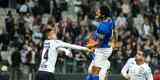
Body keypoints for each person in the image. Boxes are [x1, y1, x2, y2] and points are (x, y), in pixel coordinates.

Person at [86, 5, 114, 80]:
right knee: (90, 71)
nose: (97, 12)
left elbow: (99, 43)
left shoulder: (103, 27)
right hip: (104, 48)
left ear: (103, 14)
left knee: (94, 74)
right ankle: (105, 64)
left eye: (98, 11)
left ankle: (105, 65)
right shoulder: (110, 20)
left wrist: (91, 46)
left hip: (102, 50)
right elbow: (114, 33)